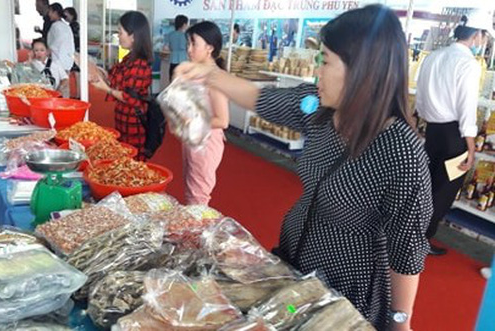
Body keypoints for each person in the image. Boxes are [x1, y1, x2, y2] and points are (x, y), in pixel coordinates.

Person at [177, 5, 432, 330]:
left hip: (347, 289)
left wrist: (399, 321)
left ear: (363, 69)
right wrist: (209, 74)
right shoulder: (319, 109)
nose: (318, 72)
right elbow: (261, 98)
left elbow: (406, 247)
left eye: (325, 61)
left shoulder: (400, 150)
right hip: (296, 263)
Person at [416, 10, 494, 256]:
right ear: (478, 34)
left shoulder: (434, 57)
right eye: (485, 36)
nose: (484, 41)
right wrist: (471, 149)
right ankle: (420, 241)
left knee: (426, 188)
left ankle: (410, 234)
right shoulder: (468, 64)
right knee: (443, 192)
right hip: (454, 137)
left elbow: (420, 99)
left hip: (433, 132)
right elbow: (466, 110)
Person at [90, 11, 152, 161]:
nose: (118, 36)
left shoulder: (140, 63)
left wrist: (106, 89)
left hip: (133, 122)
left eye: (120, 32)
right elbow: (115, 77)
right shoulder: (129, 58)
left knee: (133, 160)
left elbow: (130, 97)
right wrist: (99, 72)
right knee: (123, 155)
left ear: (133, 36)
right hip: (123, 118)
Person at [182, 21, 229, 206]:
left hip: (206, 142)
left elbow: (223, 120)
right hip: (193, 138)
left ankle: (198, 231)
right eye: (188, 44)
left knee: (198, 195)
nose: (189, 49)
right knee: (190, 188)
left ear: (209, 47)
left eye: (194, 44)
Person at [47, 3, 75, 71]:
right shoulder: (66, 26)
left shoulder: (56, 26)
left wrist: (48, 51)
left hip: (58, 60)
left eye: (50, 12)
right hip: (68, 61)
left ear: (55, 12)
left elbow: (57, 42)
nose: (48, 14)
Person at [164, 15, 189, 81]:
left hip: (173, 60)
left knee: (173, 80)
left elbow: (166, 48)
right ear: (184, 24)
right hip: (184, 60)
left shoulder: (170, 35)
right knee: (184, 82)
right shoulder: (187, 35)